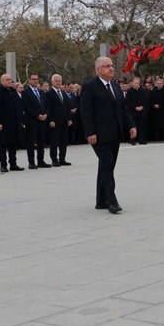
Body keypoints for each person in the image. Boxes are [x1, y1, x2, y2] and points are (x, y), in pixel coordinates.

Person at [79, 57, 136, 214]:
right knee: (107, 164)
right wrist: (90, 132)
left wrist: (131, 125)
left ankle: (101, 201)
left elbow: (123, 109)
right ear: (98, 69)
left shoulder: (116, 86)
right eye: (107, 66)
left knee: (106, 166)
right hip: (99, 135)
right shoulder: (90, 87)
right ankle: (112, 201)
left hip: (115, 133)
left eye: (111, 66)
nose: (111, 69)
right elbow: (86, 112)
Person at [0, 74, 25, 173]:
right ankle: (3, 165)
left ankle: (13, 164)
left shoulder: (13, 92)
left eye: (10, 79)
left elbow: (18, 106)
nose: (10, 81)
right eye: (7, 79)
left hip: (14, 122)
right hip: (4, 123)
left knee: (13, 144)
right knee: (3, 145)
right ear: (2, 81)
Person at [22, 73, 51, 168]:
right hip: (32, 121)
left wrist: (46, 114)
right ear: (29, 80)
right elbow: (27, 106)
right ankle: (31, 162)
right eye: (33, 79)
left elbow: (46, 105)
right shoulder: (26, 93)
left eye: (37, 79)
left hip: (42, 121)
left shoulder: (42, 92)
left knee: (41, 142)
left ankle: (41, 160)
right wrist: (37, 115)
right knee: (31, 142)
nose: (35, 81)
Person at [46, 74, 73, 166]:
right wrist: (50, 120)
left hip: (64, 121)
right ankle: (54, 159)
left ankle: (62, 159)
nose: (58, 83)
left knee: (63, 141)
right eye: (56, 81)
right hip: (55, 122)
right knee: (54, 141)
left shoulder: (64, 93)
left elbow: (67, 107)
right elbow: (48, 109)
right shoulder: (49, 94)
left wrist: (69, 118)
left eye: (59, 81)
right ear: (52, 82)